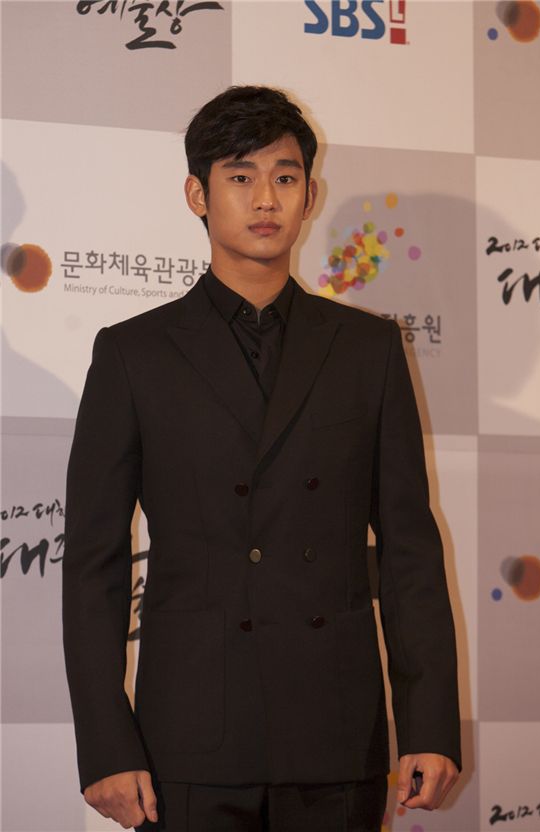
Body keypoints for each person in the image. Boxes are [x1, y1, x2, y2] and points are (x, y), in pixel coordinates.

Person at [62, 85, 461, 832]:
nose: (264, 198)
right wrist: (105, 743)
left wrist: (431, 725)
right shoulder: (133, 354)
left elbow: (408, 545)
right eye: (238, 177)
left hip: (335, 730)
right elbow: (93, 561)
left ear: (310, 194)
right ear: (197, 194)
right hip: (188, 737)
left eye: (283, 177)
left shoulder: (367, 348)